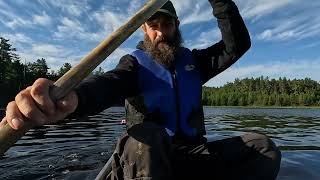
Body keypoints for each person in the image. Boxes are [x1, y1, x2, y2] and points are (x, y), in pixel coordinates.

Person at [1, 0, 281, 179]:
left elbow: (237, 45)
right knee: (150, 134)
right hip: (144, 155)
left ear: (177, 26)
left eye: (167, 24)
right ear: (145, 30)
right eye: (154, 26)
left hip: (192, 154)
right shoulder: (134, 65)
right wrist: (71, 100)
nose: (161, 32)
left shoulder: (196, 62)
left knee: (262, 147)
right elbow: (104, 87)